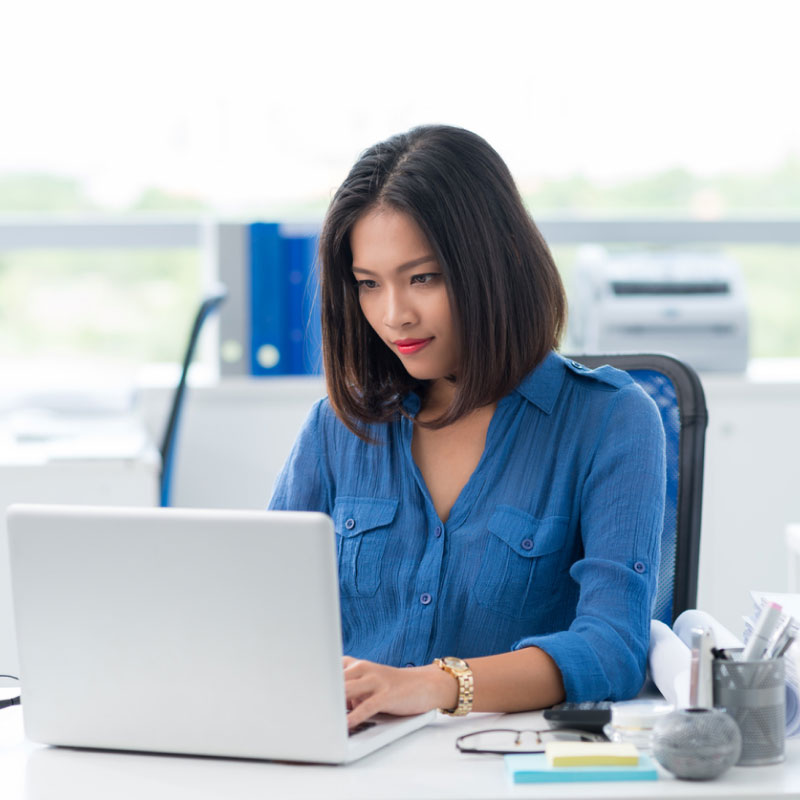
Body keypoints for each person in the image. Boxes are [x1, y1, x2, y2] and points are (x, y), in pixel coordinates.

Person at [269, 125, 666, 730]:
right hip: (346, 757)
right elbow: (260, 609)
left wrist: (435, 686)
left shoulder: (609, 419)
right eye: (368, 285)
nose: (393, 314)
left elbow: (613, 648)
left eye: (422, 277)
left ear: (493, 266)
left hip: (500, 760)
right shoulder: (337, 427)